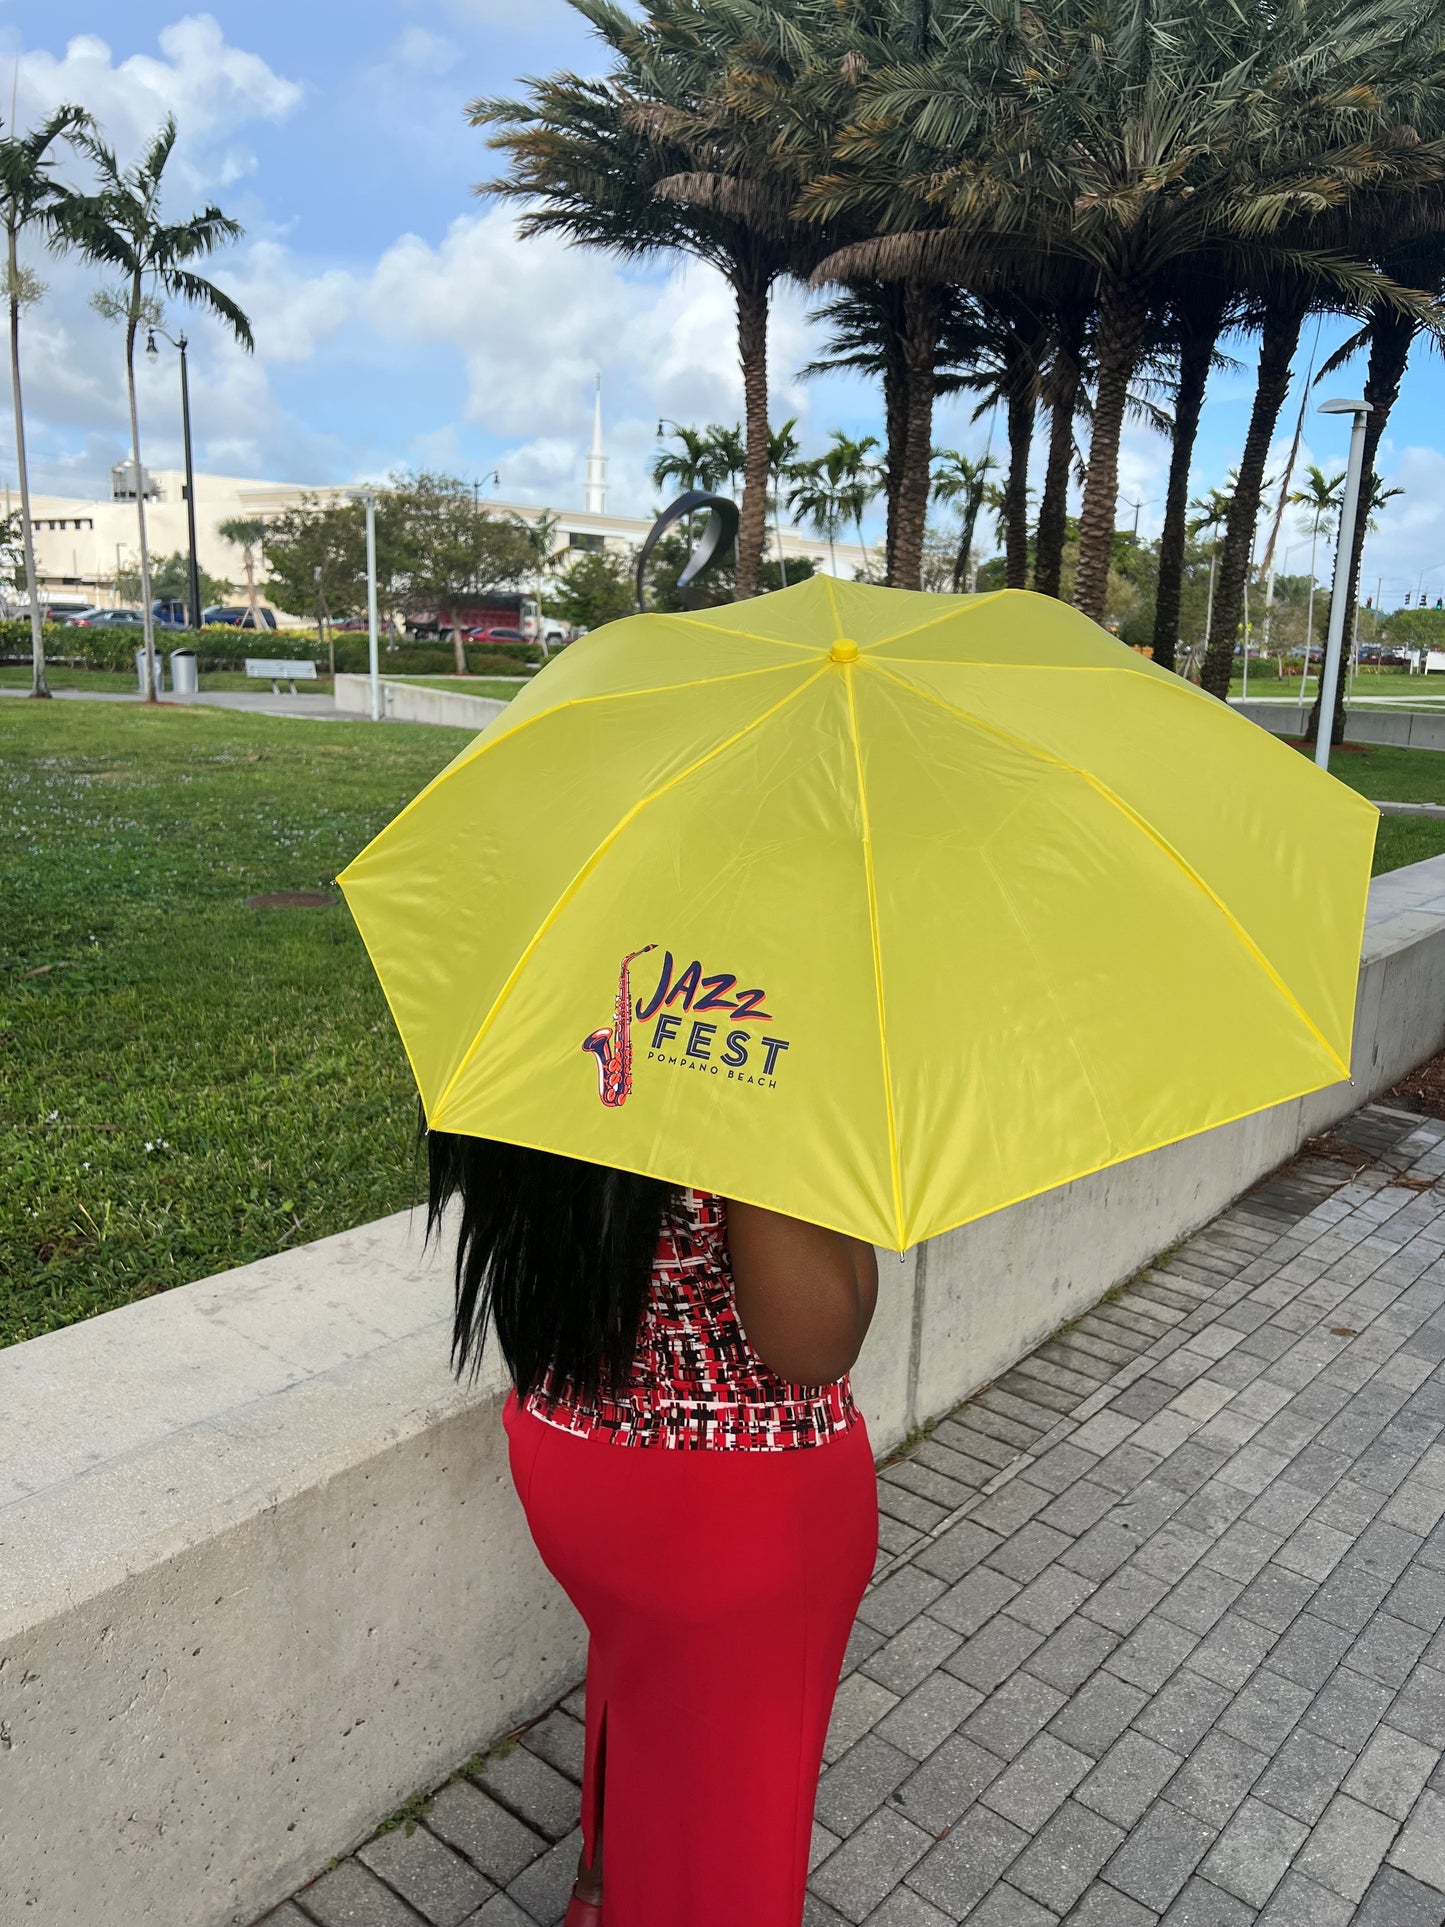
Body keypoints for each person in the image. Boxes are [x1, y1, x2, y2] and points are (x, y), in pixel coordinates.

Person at [428, 1137, 879, 1927]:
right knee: (731, 1836)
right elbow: (814, 1341)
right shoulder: (754, 1066)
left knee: (644, 1684)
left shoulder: (580, 1027)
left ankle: (601, 1887)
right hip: (726, 1506)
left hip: (570, 1446)